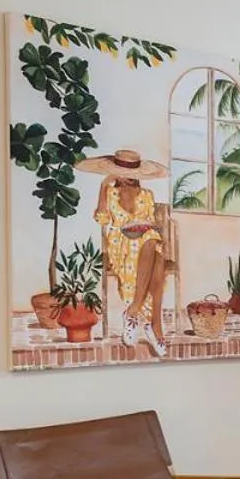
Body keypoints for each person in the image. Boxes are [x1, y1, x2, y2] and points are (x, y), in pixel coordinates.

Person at [79, 149, 170, 358]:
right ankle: (154, 325)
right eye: (120, 171)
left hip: (145, 241)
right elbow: (102, 219)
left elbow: (150, 222)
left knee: (152, 246)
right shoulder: (110, 193)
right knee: (156, 254)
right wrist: (103, 185)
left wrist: (145, 228)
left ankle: (135, 312)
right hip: (120, 243)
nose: (126, 176)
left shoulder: (147, 195)